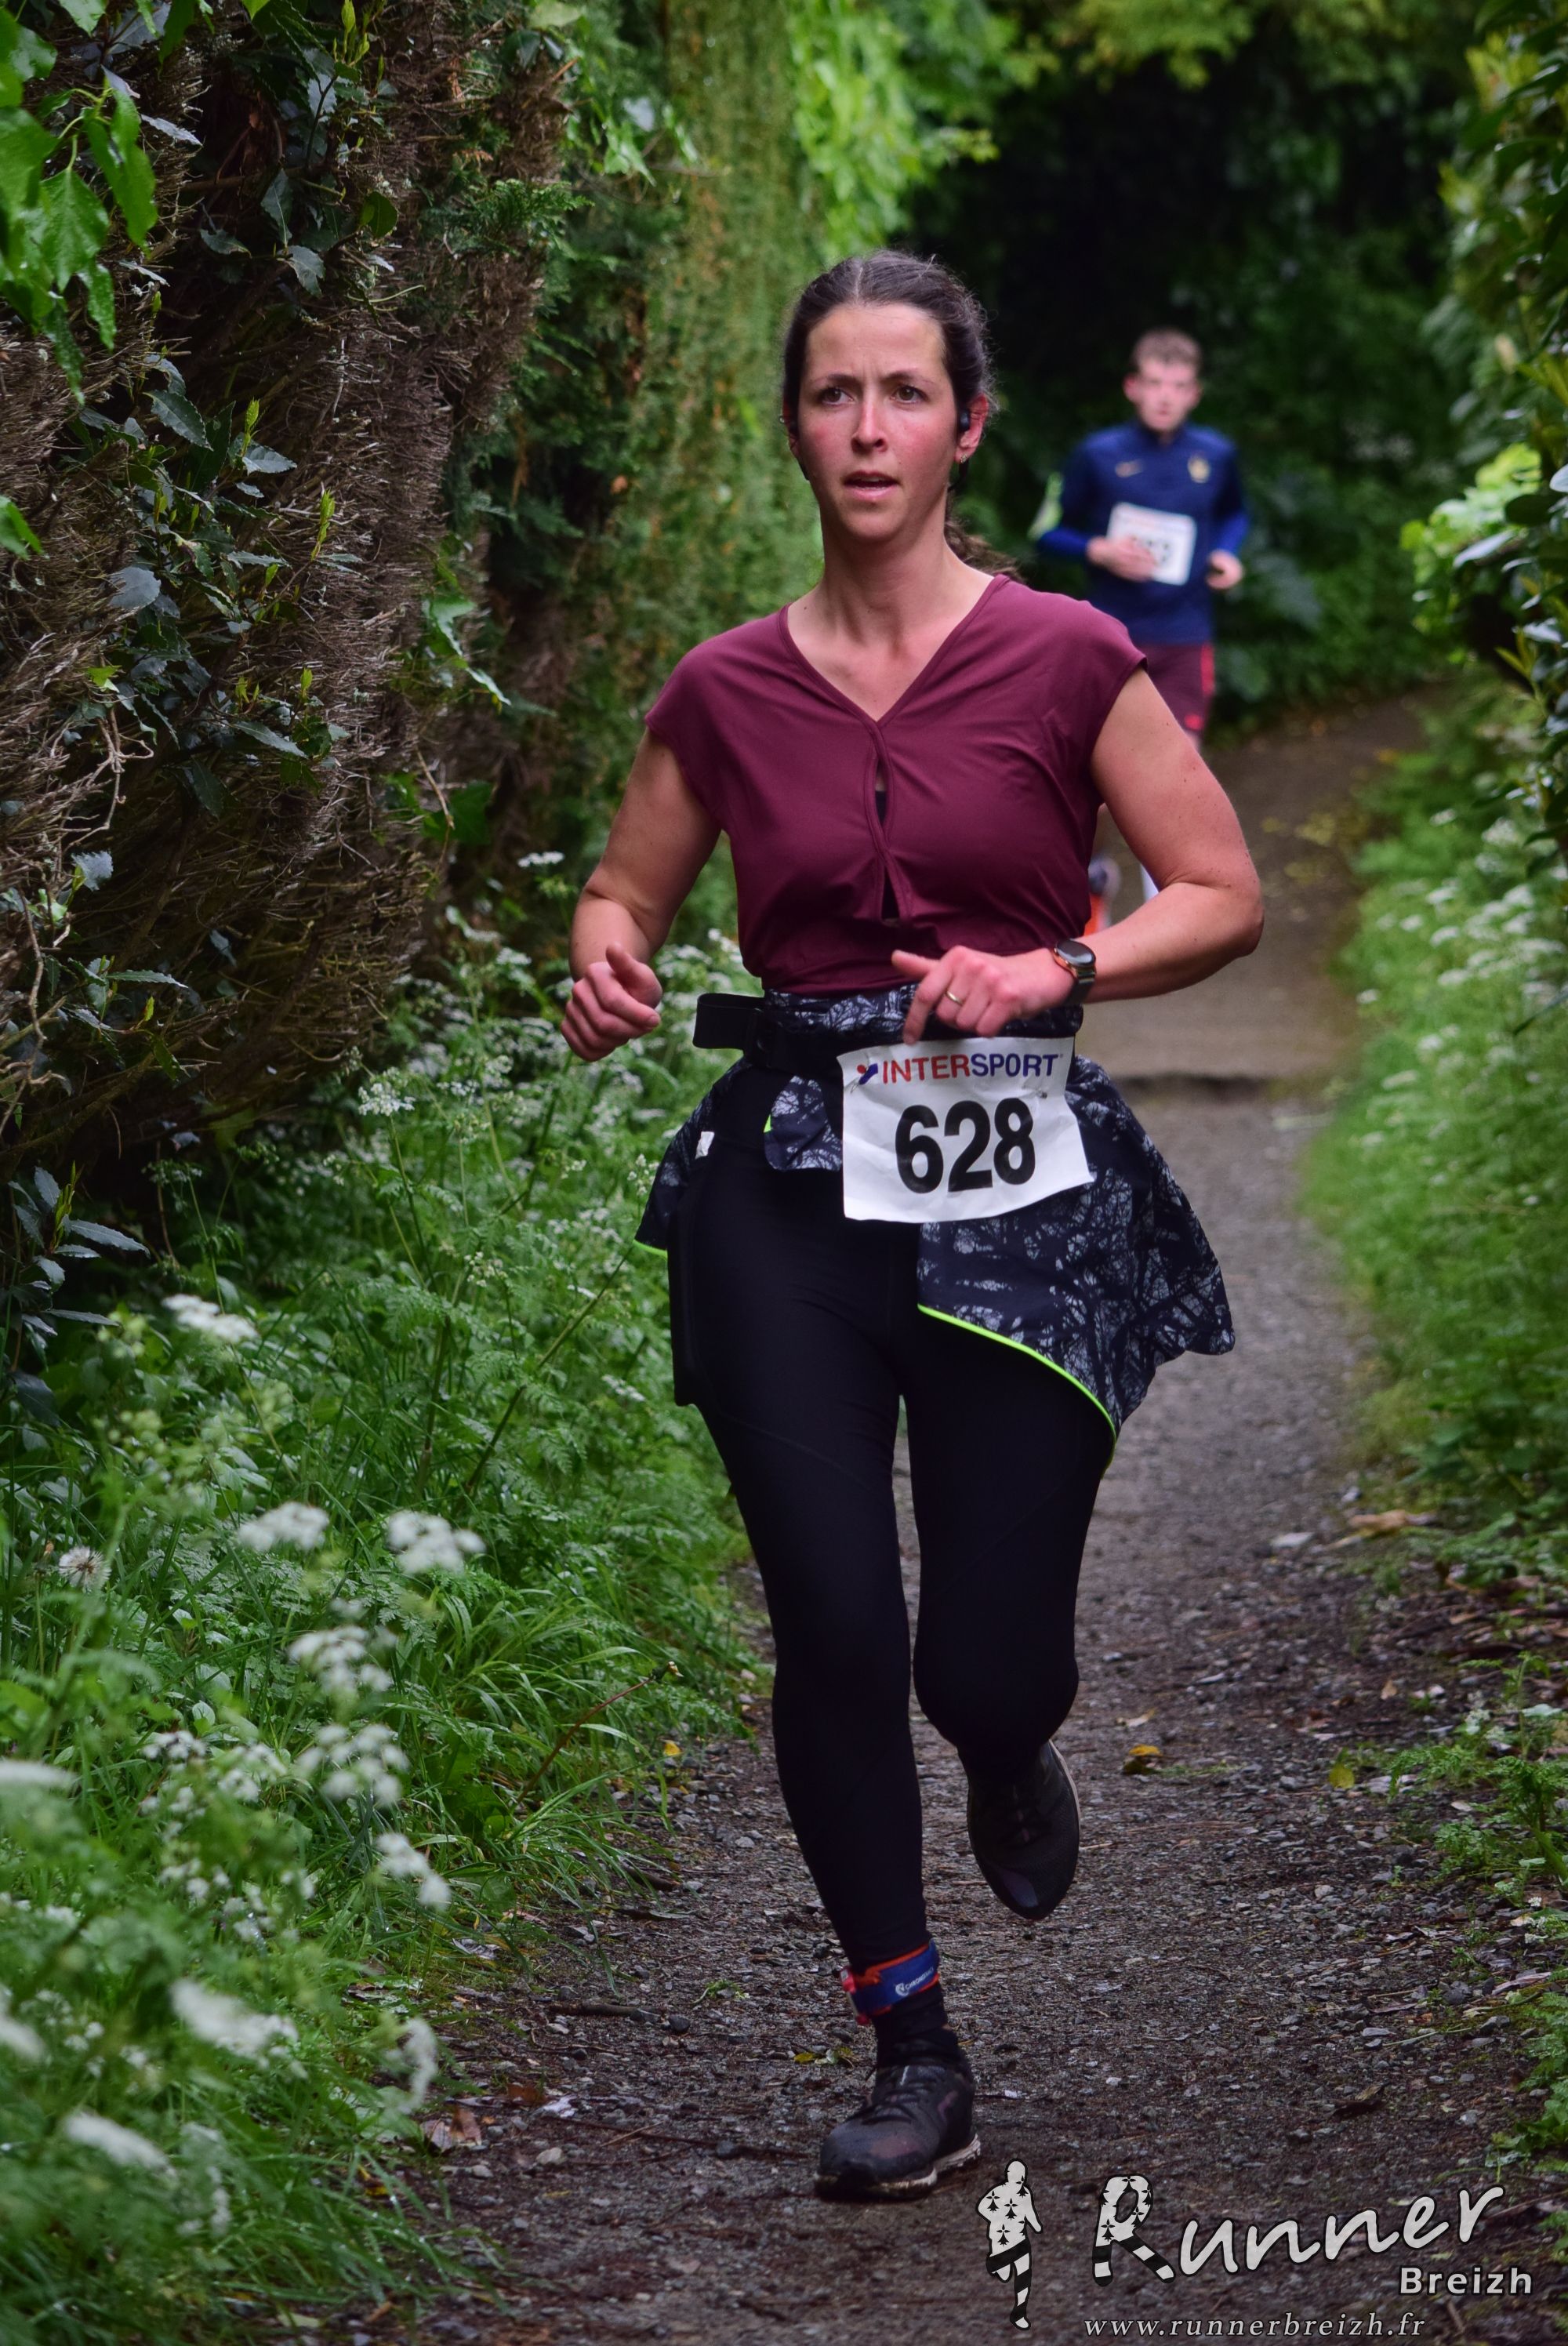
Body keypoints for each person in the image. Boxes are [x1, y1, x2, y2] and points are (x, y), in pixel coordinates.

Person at [561, 251, 1262, 2204]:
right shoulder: (720, 686)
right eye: (830, 393)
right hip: (783, 1192)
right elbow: (621, 892)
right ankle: (911, 2040)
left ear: (964, 428)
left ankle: (1008, 1743)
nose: (864, 429)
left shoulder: (1064, 656)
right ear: (793, 425)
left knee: (980, 1663)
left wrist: (1056, 964)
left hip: (1010, 1184)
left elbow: (1219, 891)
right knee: (834, 1624)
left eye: (900, 394)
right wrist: (603, 956)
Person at [1033, 329, 1247, 895]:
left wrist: (1227, 553)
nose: (1165, 397)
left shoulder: (1216, 455)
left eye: (1178, 386)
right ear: (1132, 387)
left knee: (1178, 780)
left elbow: (1235, 514)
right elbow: (1047, 533)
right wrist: (1096, 549)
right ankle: (1093, 873)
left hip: (1184, 636)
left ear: (1195, 393)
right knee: (1100, 787)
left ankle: (1171, 907)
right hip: (1110, 640)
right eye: (1154, 383)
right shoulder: (1096, 454)